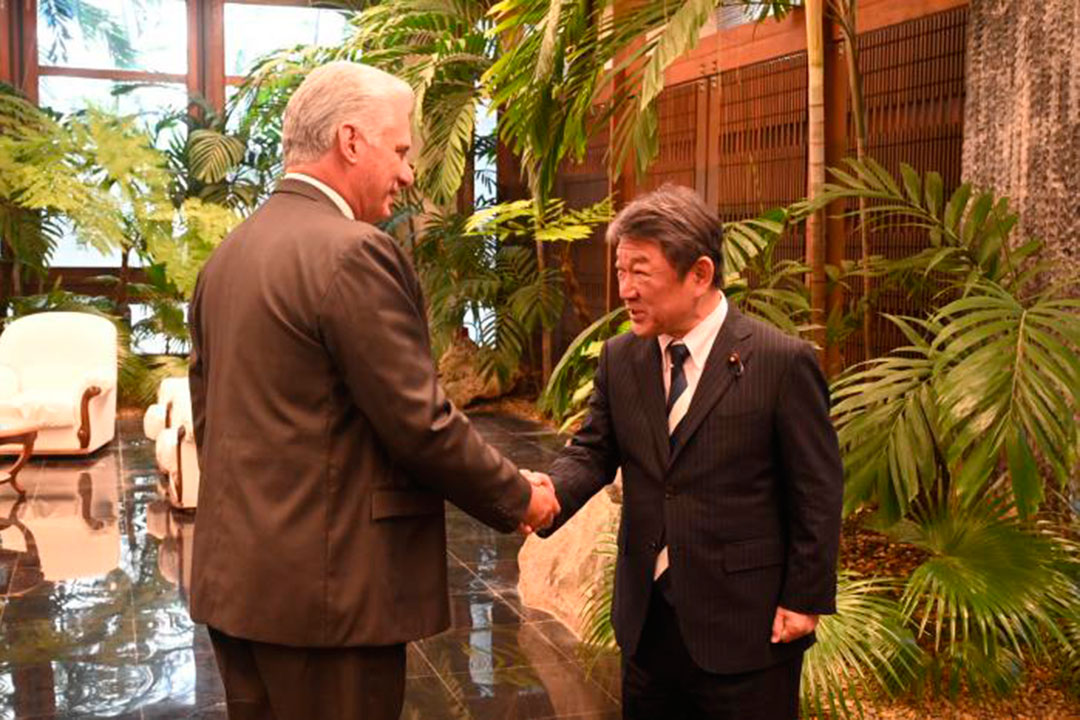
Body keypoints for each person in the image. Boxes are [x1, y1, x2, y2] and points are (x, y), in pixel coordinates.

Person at [187, 61, 559, 720]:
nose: (410, 173)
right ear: (350, 141)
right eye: (401, 150)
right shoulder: (352, 252)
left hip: (239, 585)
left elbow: (212, 418)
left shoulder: (230, 255)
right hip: (329, 599)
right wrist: (519, 497)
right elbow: (419, 422)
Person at [535, 184, 843, 719]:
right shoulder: (620, 358)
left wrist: (805, 597)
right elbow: (591, 451)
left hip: (748, 629)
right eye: (620, 271)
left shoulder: (780, 361)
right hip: (647, 623)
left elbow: (817, 489)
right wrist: (540, 496)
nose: (625, 289)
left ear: (699, 274)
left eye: (641, 272)